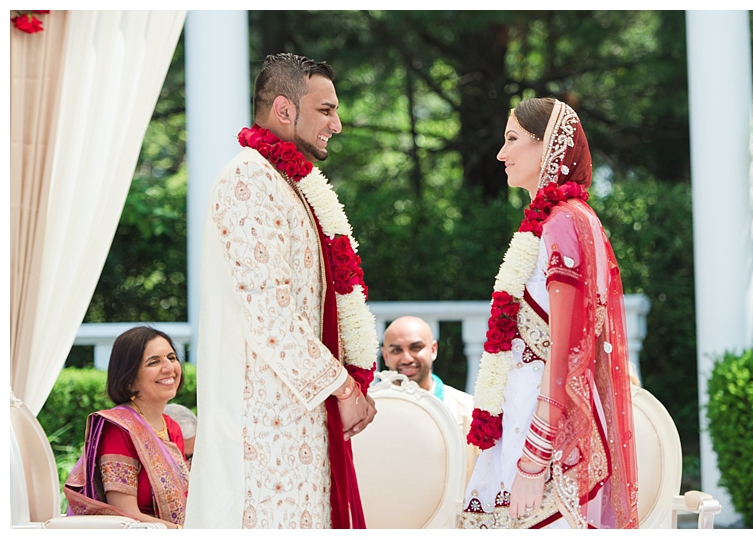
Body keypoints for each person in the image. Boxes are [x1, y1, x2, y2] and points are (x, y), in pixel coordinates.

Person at [185, 53, 378, 529]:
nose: (338, 123)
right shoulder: (248, 182)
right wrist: (343, 387)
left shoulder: (284, 183)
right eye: (326, 109)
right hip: (260, 424)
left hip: (296, 416)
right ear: (284, 109)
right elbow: (270, 316)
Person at [458, 98, 638, 529]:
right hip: (534, 406)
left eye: (512, 139)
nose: (501, 153)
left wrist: (534, 459)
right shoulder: (565, 219)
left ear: (549, 146)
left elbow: (567, 349)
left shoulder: (562, 222)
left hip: (540, 417)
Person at [64, 326, 189, 529]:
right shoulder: (120, 430)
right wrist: (181, 531)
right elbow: (125, 515)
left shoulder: (172, 428)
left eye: (172, 357)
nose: (169, 368)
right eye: (154, 362)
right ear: (129, 380)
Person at [381, 316, 481, 481]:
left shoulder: (468, 408)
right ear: (385, 356)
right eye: (396, 350)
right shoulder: (371, 410)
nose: (407, 358)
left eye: (416, 347)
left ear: (433, 349)